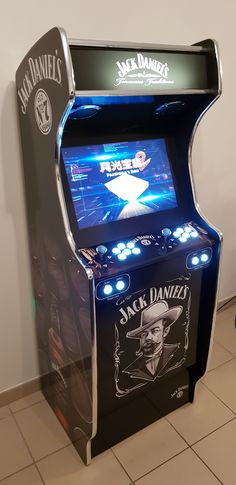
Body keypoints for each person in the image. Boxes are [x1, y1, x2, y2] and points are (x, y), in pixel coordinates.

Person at [123, 300, 183, 382]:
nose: (148, 337)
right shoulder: (130, 371)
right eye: (144, 334)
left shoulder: (178, 350)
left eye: (155, 330)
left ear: (165, 331)